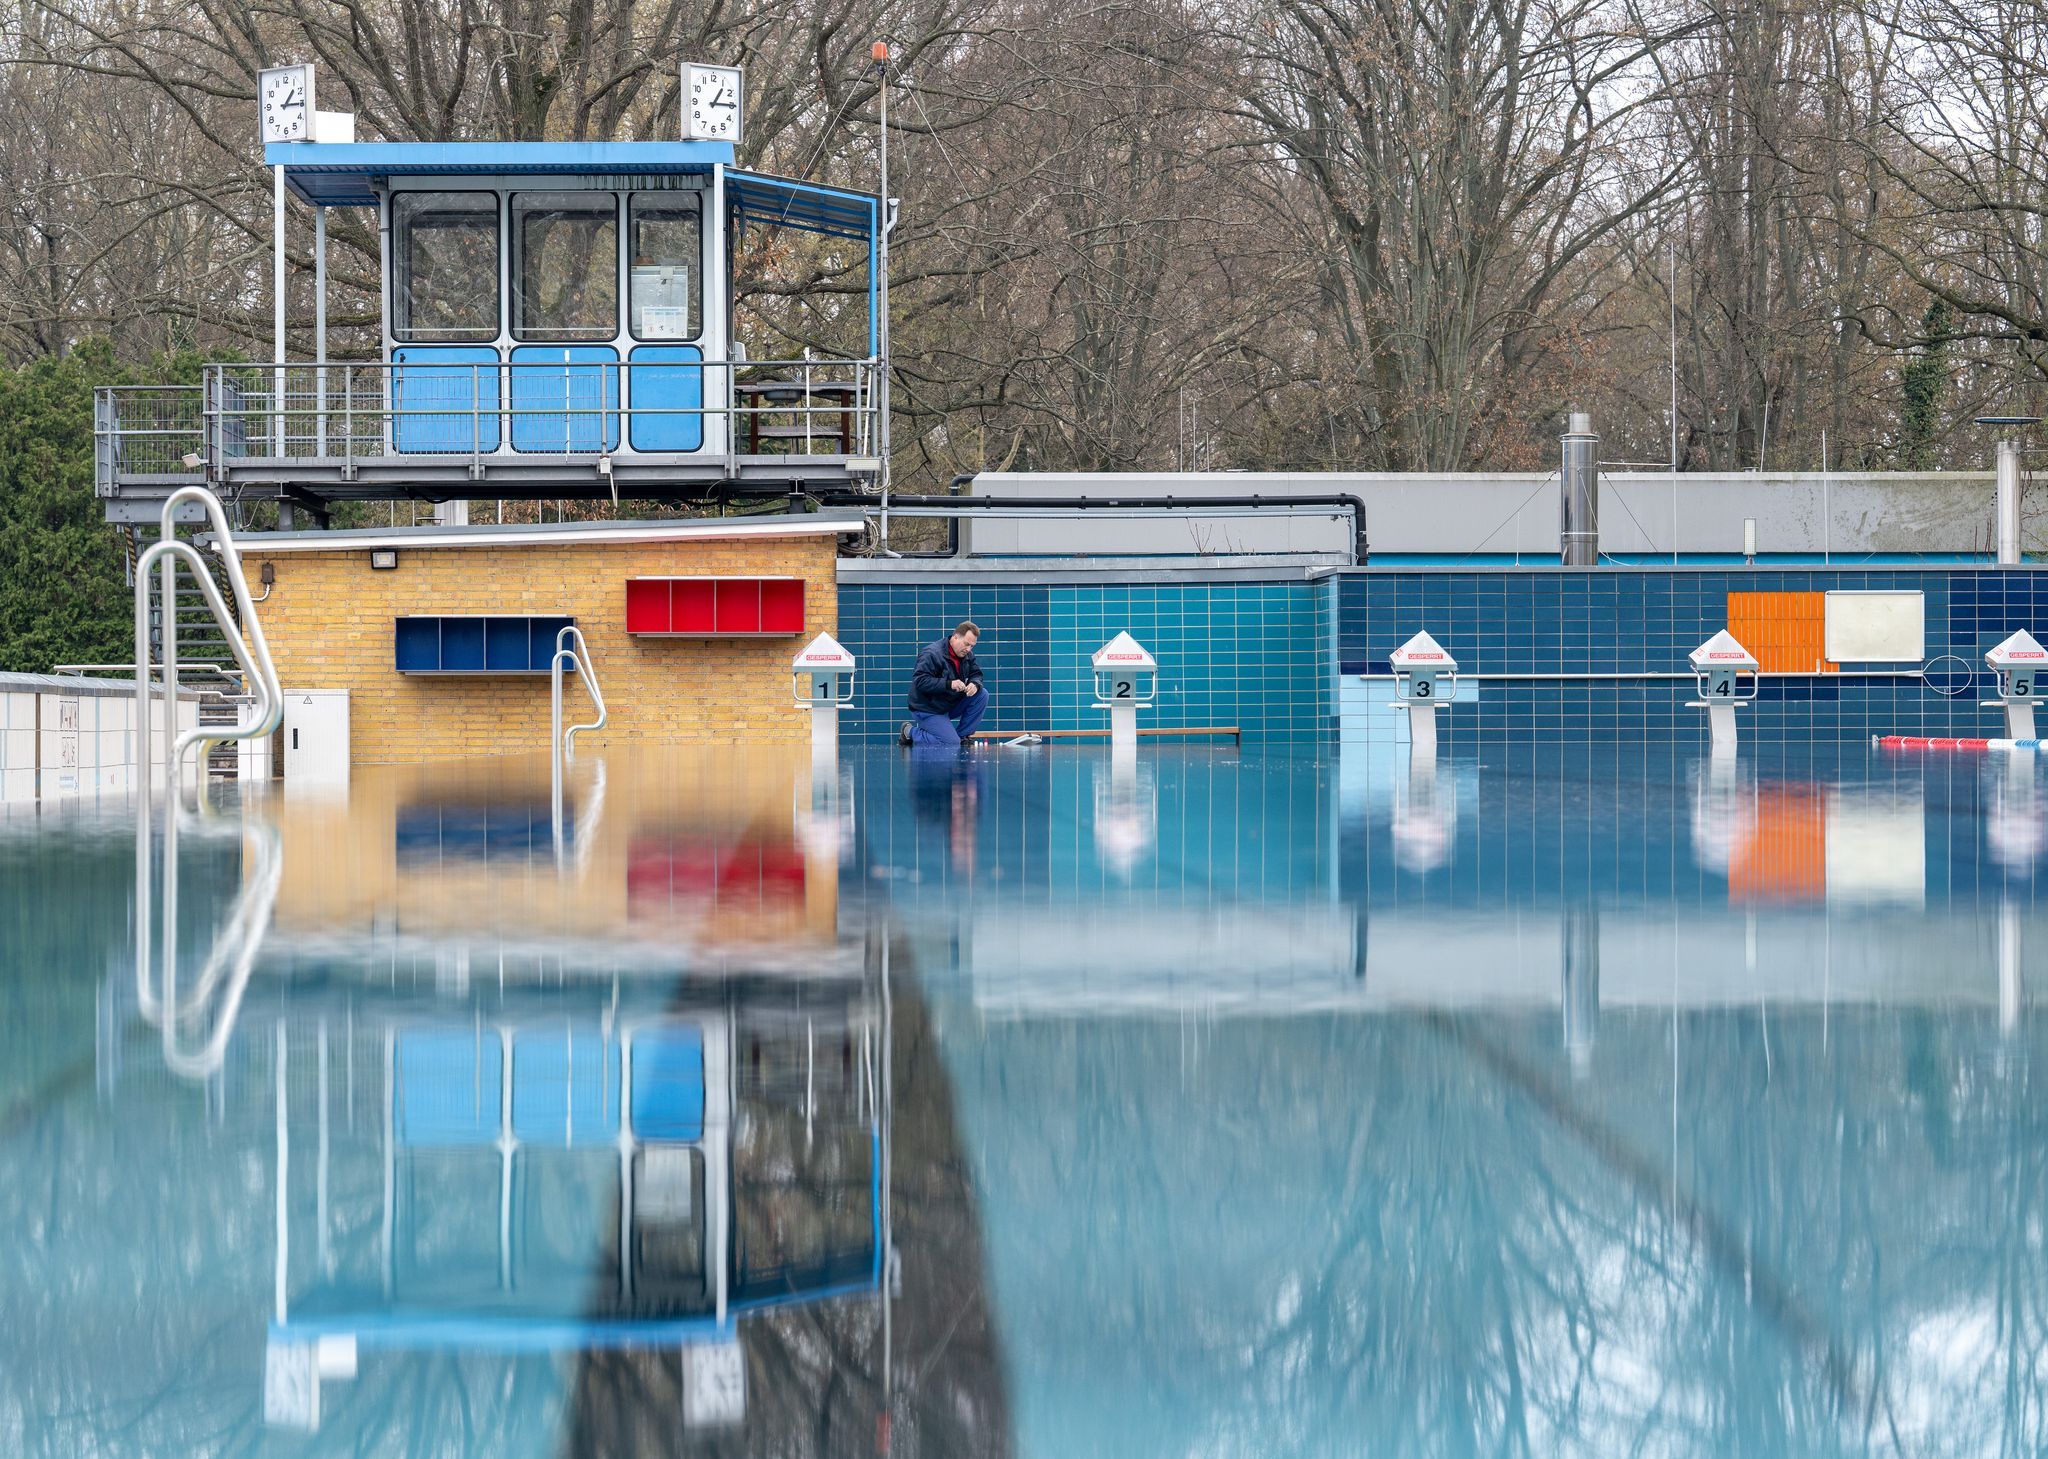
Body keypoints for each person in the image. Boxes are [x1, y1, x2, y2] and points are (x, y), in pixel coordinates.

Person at [902, 621, 990, 748]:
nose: (969, 649)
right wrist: (949, 684)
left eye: (972, 646)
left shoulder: (967, 655)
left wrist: (974, 684)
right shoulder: (931, 654)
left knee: (982, 694)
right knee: (949, 743)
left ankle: (961, 737)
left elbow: (976, 674)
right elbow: (920, 681)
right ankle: (909, 732)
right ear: (955, 637)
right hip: (927, 708)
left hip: (948, 704)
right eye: (966, 644)